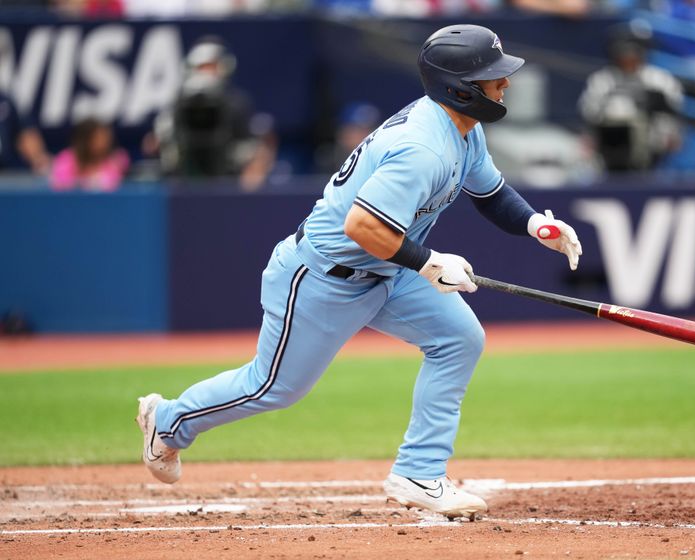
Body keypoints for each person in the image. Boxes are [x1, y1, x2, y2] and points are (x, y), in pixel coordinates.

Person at [136, 24, 582, 520]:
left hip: (387, 269)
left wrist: (534, 225)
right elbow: (362, 226)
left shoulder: (462, 129)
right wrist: (430, 262)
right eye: (492, 77)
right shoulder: (422, 149)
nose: (504, 85)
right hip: (326, 275)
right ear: (459, 87)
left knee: (460, 338)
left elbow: (491, 193)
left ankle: (419, 472)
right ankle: (168, 420)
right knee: (274, 388)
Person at [144, 36, 277, 190]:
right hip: (184, 179)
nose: (206, 73)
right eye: (202, 67)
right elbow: (156, 143)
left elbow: (252, 146)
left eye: (211, 66)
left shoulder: (237, 103)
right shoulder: (178, 103)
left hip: (227, 179)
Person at [578, 27, 684, 172]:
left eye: (633, 53)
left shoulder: (660, 79)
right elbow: (589, 112)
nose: (628, 58)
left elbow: (674, 112)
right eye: (623, 53)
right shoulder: (602, 79)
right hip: (610, 144)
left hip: (652, 144)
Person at [50, 118, 129, 192]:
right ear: (85, 140)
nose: (104, 143)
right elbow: (60, 186)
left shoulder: (118, 159)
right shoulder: (66, 158)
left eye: (105, 138)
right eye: (98, 138)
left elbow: (117, 186)